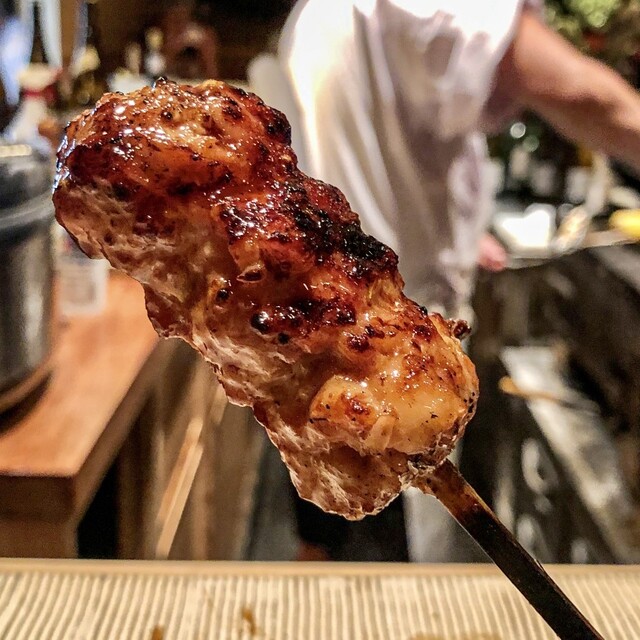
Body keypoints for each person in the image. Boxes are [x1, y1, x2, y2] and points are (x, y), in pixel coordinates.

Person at [279, 0, 640, 561]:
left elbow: (367, 153)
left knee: (330, 546)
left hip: (309, 337)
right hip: (397, 352)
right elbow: (589, 97)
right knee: (398, 562)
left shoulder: (313, 17)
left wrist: (464, 231)